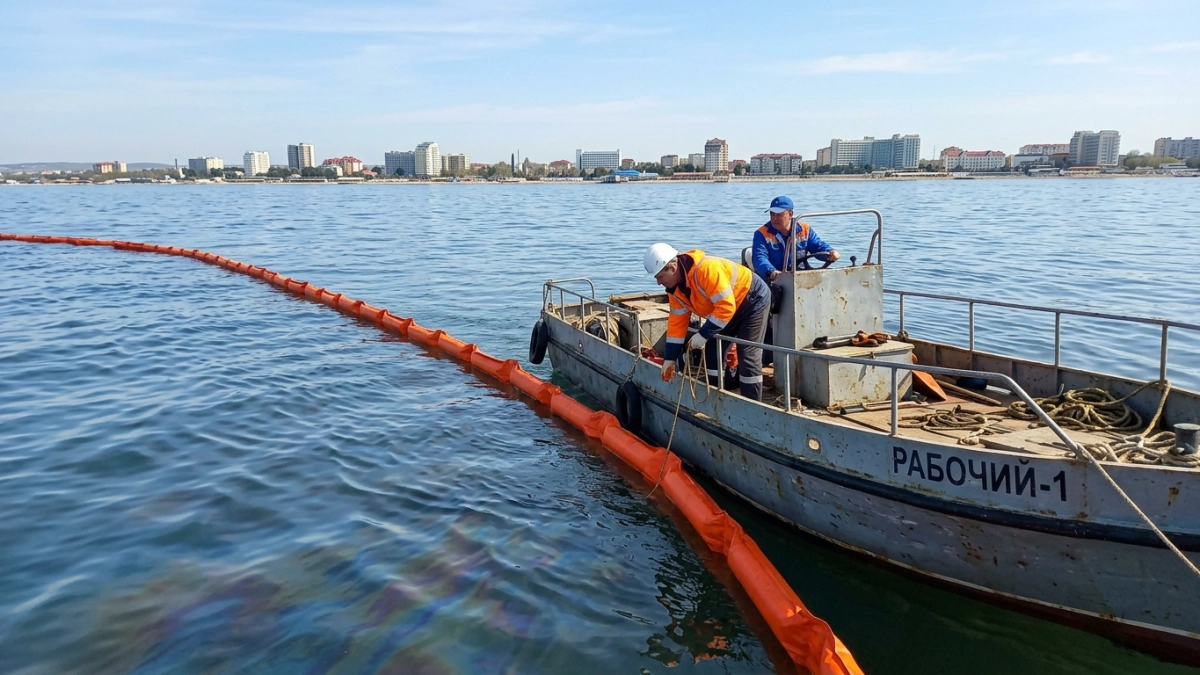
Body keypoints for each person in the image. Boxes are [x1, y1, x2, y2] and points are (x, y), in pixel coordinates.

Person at [644, 243, 771, 401]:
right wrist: (669, 359)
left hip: (752, 300)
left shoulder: (705, 270)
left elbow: (726, 307)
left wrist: (702, 335)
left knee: (747, 354)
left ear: (673, 266)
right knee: (712, 350)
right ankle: (716, 397)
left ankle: (753, 405)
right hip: (726, 308)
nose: (658, 283)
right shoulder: (675, 291)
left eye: (660, 277)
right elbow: (677, 325)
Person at [751, 195, 839, 282]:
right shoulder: (761, 233)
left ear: (790, 214)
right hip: (775, 280)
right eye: (772, 214)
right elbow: (759, 258)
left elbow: (817, 246)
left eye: (779, 214)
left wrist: (830, 253)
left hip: (801, 277)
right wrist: (771, 272)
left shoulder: (805, 229)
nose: (774, 218)